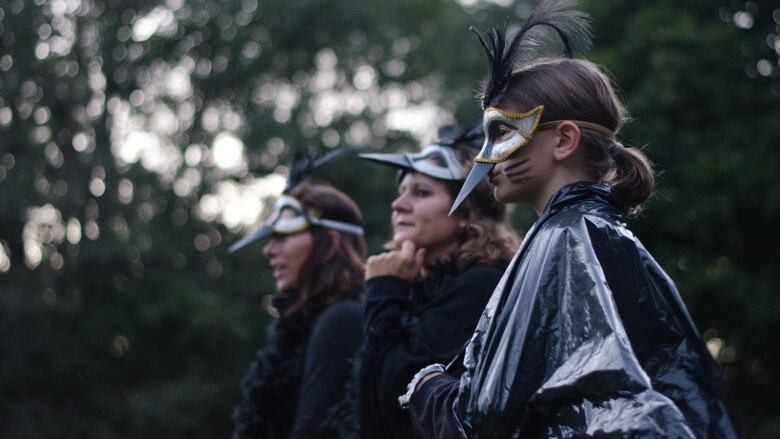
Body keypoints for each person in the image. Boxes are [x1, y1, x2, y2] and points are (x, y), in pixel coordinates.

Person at [405, 2, 738, 438]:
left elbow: (484, 418)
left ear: (564, 139)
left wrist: (427, 387)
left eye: (502, 132)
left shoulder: (567, 240)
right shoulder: (594, 235)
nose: (487, 159)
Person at [338, 126, 520, 439]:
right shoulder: (414, 287)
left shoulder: (480, 285)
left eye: (421, 193)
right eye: (401, 191)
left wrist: (384, 290)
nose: (399, 205)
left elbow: (398, 404)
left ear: (465, 212)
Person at [230, 151, 367, 439]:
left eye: (284, 236)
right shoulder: (294, 331)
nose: (269, 250)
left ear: (330, 244)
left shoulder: (342, 319)